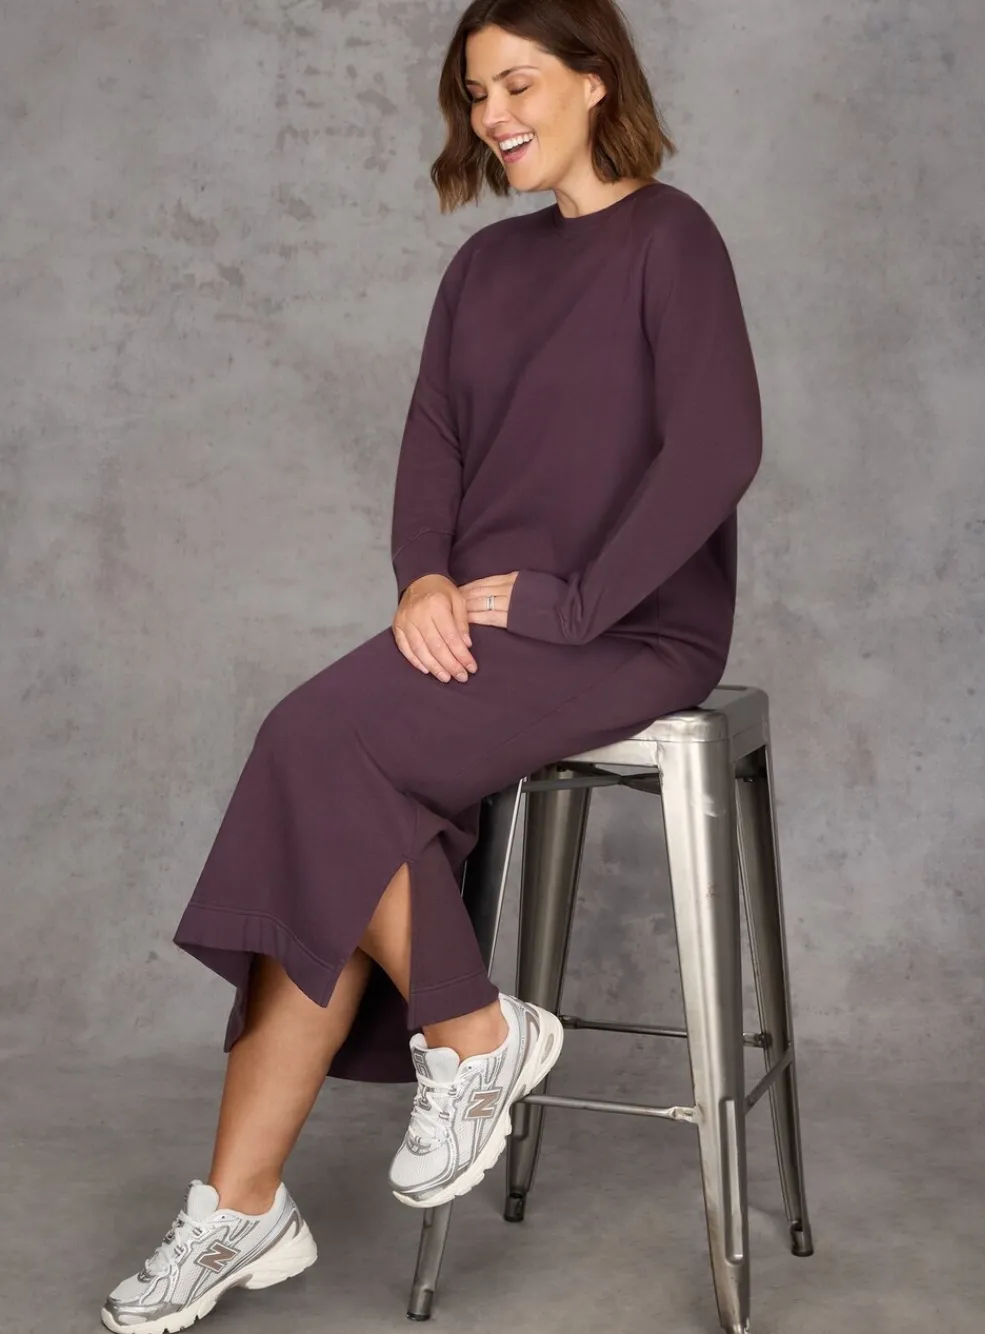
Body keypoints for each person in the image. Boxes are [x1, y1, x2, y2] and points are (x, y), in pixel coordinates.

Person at [100, 0, 764, 1329]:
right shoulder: (484, 270)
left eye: (519, 83)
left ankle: (440, 1053)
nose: (493, 115)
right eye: (474, 93)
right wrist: (421, 582)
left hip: (629, 630)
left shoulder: (672, 238)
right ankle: (272, 1181)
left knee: (311, 746)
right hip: (482, 625)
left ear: (595, 80)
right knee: (331, 796)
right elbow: (434, 447)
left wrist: (575, 602)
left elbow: (718, 446)